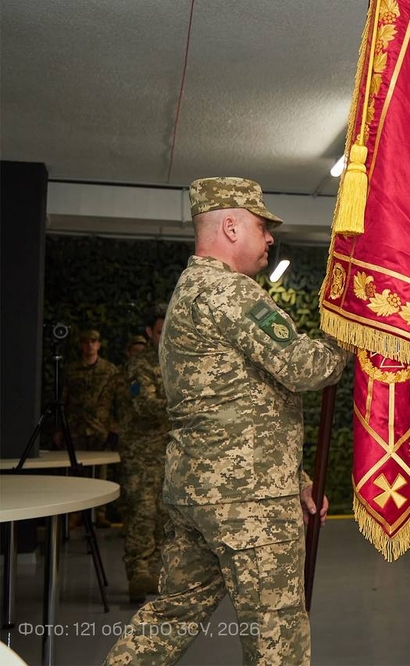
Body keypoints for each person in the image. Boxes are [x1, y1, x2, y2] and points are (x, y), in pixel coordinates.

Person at [104, 177, 350, 666]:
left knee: (170, 617)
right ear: (232, 226)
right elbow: (304, 368)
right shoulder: (229, 293)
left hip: (199, 492)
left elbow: (239, 402)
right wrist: (350, 336)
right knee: (275, 637)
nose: (270, 238)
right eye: (263, 226)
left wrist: (295, 478)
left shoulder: (188, 291)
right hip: (248, 502)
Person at [119, 304, 169, 604]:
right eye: (161, 331)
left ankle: (154, 573)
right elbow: (144, 406)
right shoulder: (140, 365)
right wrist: (184, 405)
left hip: (170, 453)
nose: (166, 337)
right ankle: (138, 574)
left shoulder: (181, 361)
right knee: (142, 513)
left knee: (166, 516)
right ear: (150, 333)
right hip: (141, 454)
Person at [62, 328, 120, 452]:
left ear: (98, 345)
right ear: (81, 345)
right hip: (75, 429)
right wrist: (59, 428)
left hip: (101, 429)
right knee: (75, 468)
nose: (90, 345)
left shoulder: (110, 370)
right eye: (85, 342)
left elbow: (118, 399)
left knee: (100, 469)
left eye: (93, 341)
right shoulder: (71, 370)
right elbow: (62, 400)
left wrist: (115, 427)